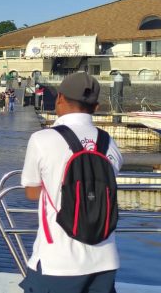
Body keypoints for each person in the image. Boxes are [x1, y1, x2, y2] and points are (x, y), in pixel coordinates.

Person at [20, 72, 123, 293]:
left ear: (59, 98)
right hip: (105, 260)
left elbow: (31, 192)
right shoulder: (108, 141)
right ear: (96, 107)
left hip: (57, 261)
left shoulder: (42, 139)